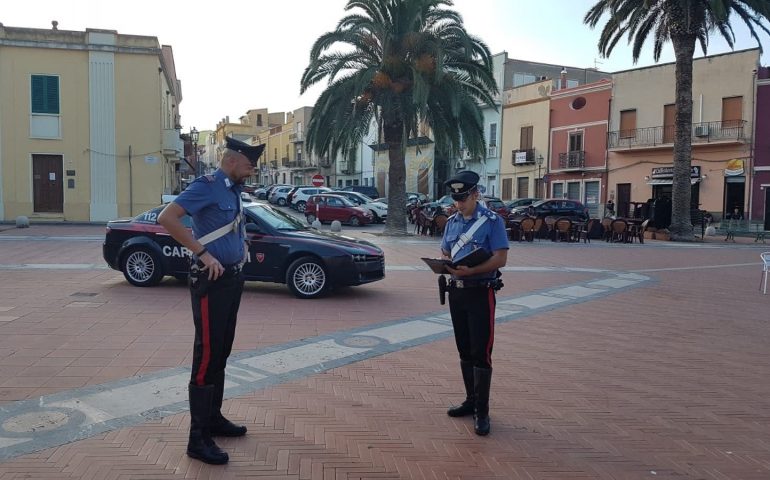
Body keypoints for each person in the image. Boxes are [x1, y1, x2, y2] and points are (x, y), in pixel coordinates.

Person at [158, 136, 265, 464]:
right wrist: (202, 253)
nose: (252, 171)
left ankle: (213, 419)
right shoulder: (207, 186)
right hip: (211, 282)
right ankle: (197, 438)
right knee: (206, 355)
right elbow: (167, 218)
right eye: (248, 166)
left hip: (232, 279)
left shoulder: (233, 190)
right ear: (231, 161)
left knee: (221, 351)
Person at [439, 170, 509, 436]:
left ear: (475, 194)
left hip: (481, 292)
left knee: (481, 352)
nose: (459, 203)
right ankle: (470, 401)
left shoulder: (492, 222)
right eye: (455, 198)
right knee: (464, 351)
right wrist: (445, 259)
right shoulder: (452, 222)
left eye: (463, 198)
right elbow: (445, 249)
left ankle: (482, 410)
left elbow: (500, 259)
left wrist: (473, 271)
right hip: (457, 291)